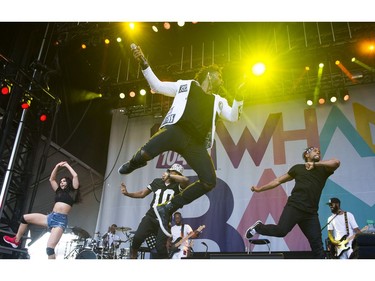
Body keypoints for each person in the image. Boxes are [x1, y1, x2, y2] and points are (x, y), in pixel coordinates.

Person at [118, 44, 245, 237]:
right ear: (209, 75)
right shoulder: (186, 86)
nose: (222, 80)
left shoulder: (217, 100)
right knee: (145, 153)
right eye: (219, 76)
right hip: (175, 130)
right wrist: (143, 61)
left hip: (195, 143)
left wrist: (239, 96)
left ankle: (168, 207)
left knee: (209, 181)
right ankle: (134, 162)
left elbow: (233, 116)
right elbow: (157, 86)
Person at [245, 146, 340, 259]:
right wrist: (260, 189)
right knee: (281, 231)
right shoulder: (298, 168)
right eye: (314, 150)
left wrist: (316, 164)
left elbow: (336, 162)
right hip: (294, 206)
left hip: (311, 213)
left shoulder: (323, 169)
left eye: (319, 151)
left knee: (317, 245)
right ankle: (258, 227)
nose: (318, 152)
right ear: (306, 155)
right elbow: (278, 180)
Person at [3, 161, 81, 259]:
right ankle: (16, 240)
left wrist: (67, 165)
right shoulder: (58, 192)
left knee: (49, 249)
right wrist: (56, 166)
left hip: (60, 222)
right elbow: (52, 179)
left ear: (68, 183)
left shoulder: (73, 192)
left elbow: (75, 175)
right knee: (24, 218)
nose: (61, 183)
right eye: (60, 181)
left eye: (64, 181)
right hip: (51, 217)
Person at [120, 163, 189, 259]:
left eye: (178, 174)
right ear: (169, 171)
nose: (175, 175)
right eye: (174, 172)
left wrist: (171, 175)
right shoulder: (157, 182)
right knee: (137, 238)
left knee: (160, 247)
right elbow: (142, 193)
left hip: (164, 220)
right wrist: (128, 194)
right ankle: (133, 255)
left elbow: (185, 180)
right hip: (151, 216)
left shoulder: (178, 186)